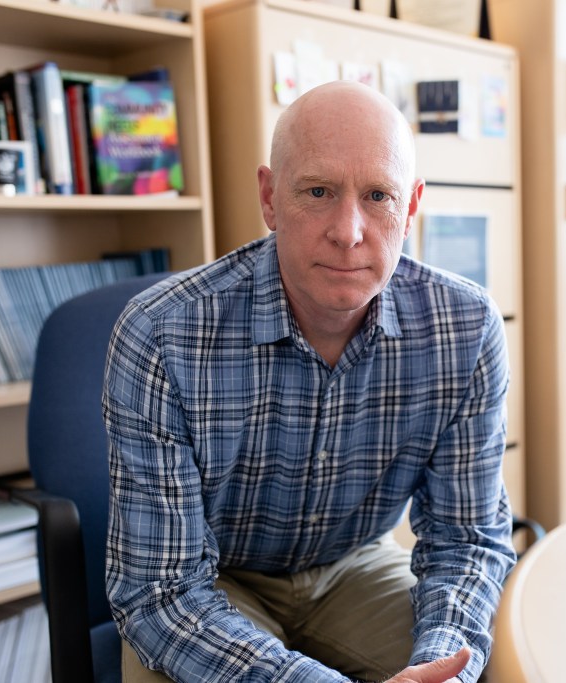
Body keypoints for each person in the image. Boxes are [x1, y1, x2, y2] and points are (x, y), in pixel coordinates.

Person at [103, 79, 516, 683]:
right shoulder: (161, 334)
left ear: (411, 207)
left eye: (378, 195)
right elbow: (161, 592)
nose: (348, 231)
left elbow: (466, 539)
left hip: (353, 565)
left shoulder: (466, 329)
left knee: (494, 665)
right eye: (318, 191)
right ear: (270, 197)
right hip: (210, 582)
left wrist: (443, 665)